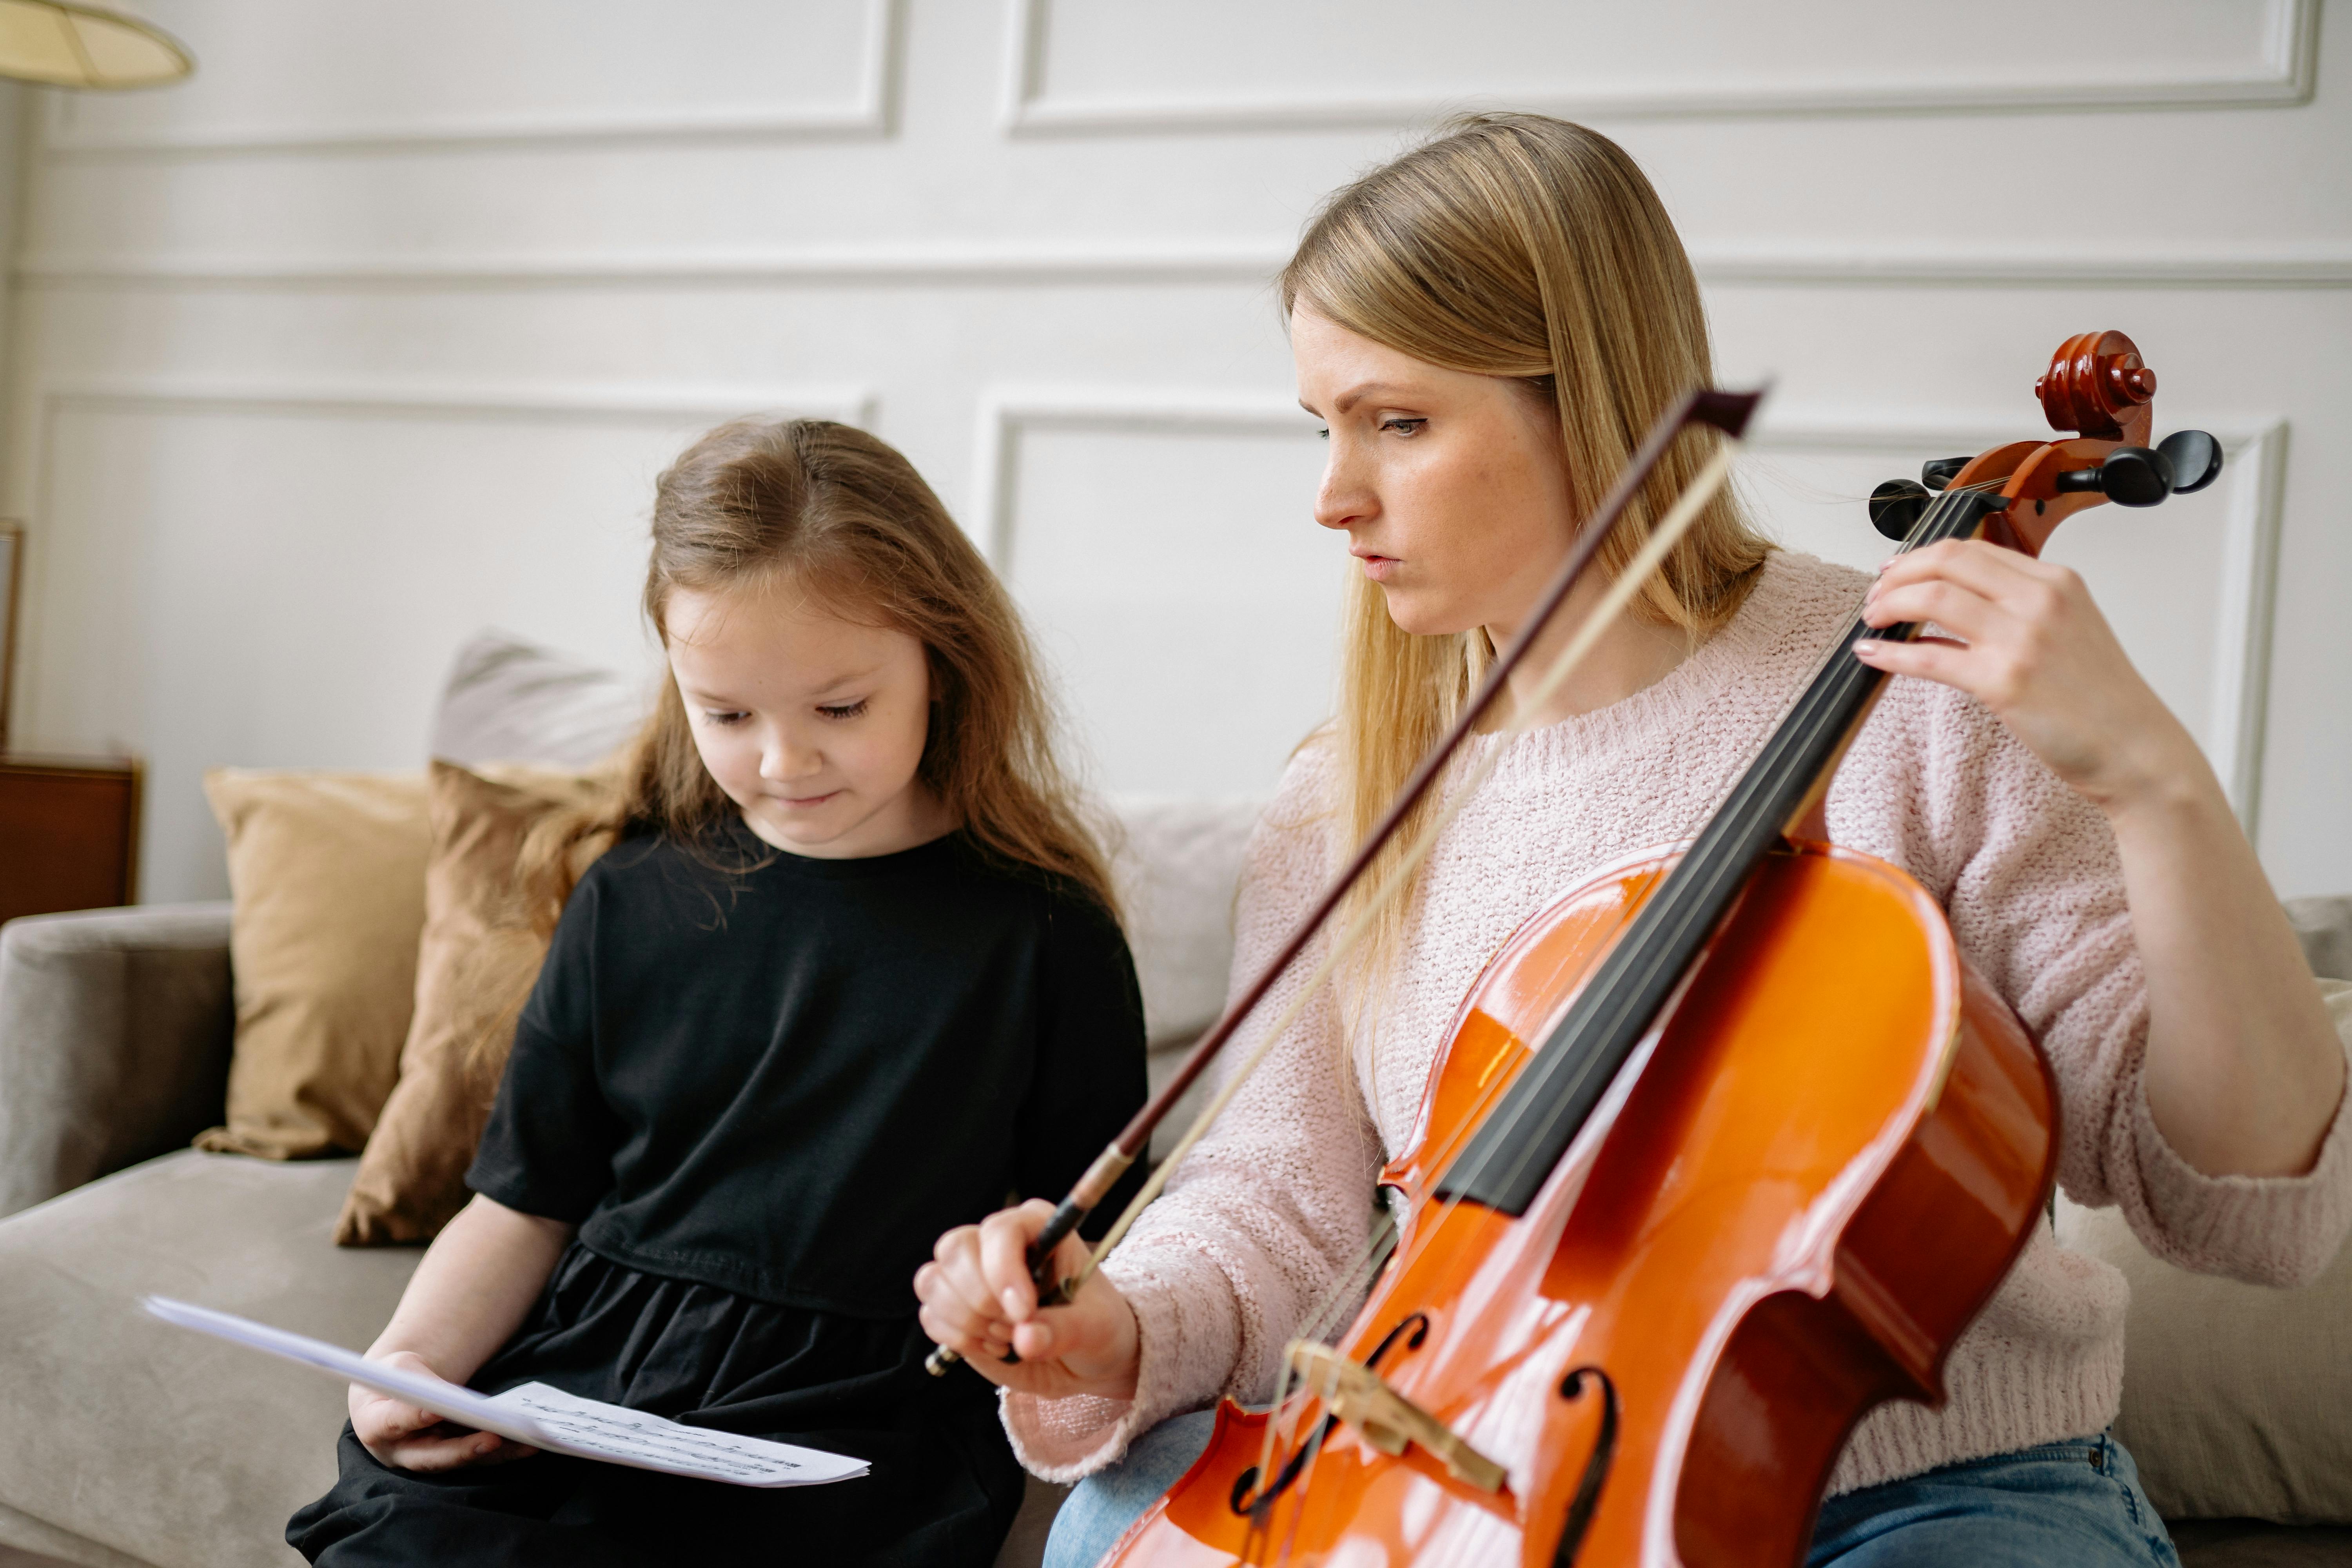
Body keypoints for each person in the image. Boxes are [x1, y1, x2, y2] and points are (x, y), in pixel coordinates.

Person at [915, 115, 2352, 1567]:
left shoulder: (1916, 692)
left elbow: (2242, 1216)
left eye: (1398, 422)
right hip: (1503, 1468)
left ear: (1592, 403)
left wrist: (2158, 788)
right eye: (1324, 425)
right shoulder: (1348, 797)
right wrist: (1116, 1325)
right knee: (1126, 1520)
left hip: (1926, 1500)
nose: (1332, 497)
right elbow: (1270, 1201)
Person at [289, 418, 1149, 1567]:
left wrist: (1019, 1290)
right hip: (590, 1371)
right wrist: (402, 1365)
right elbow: (524, 1201)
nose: (784, 763)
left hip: (852, 1417)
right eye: (730, 715)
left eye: (839, 708)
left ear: (942, 658)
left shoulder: (1045, 932)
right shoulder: (631, 892)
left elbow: (1094, 1236)